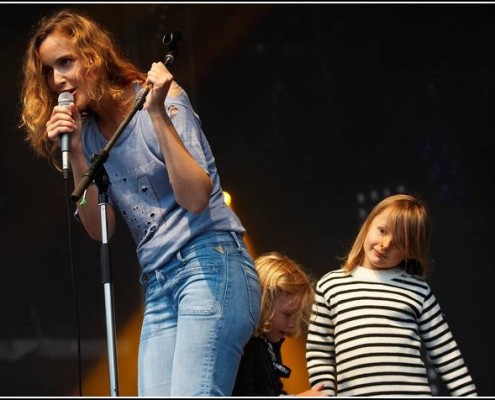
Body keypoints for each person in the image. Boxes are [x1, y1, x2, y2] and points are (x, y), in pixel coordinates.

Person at [20, 8, 261, 396]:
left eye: (65, 62)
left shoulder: (159, 99)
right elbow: (102, 229)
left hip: (210, 262)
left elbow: (197, 198)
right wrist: (79, 153)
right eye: (49, 70)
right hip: (159, 282)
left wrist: (158, 116)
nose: (57, 79)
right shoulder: (91, 136)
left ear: (93, 56)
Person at [306, 194, 477, 396]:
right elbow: (319, 352)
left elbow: (446, 353)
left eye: (399, 242)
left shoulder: (417, 290)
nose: (385, 244)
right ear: (368, 224)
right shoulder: (331, 285)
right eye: (382, 230)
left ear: (410, 252)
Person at [232, 251, 325, 397]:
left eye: (297, 315)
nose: (293, 324)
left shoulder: (268, 344)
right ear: (264, 302)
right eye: (287, 314)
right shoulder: (245, 346)